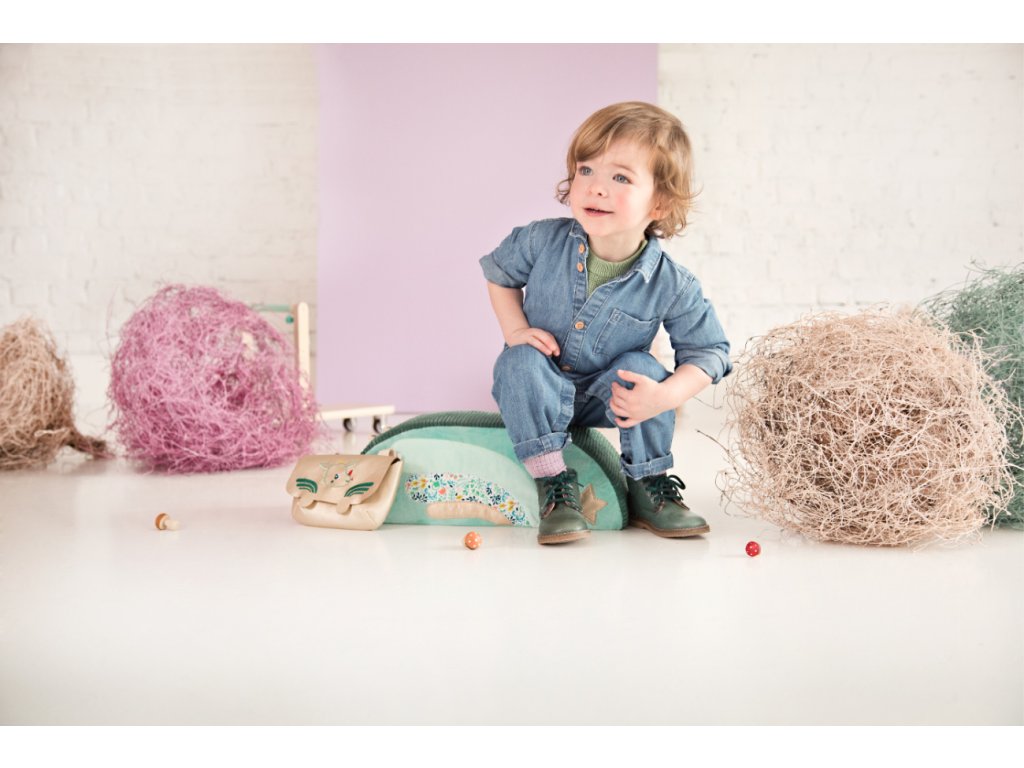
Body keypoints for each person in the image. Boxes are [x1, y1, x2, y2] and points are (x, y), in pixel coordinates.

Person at [479, 101, 732, 545]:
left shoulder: (672, 283)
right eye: (586, 170)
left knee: (643, 368)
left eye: (620, 178)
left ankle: (649, 484)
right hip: (540, 390)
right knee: (518, 359)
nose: (595, 188)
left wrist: (665, 397)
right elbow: (499, 274)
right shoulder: (541, 240)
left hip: (609, 399)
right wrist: (515, 330)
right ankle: (555, 487)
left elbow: (710, 353)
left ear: (659, 202)